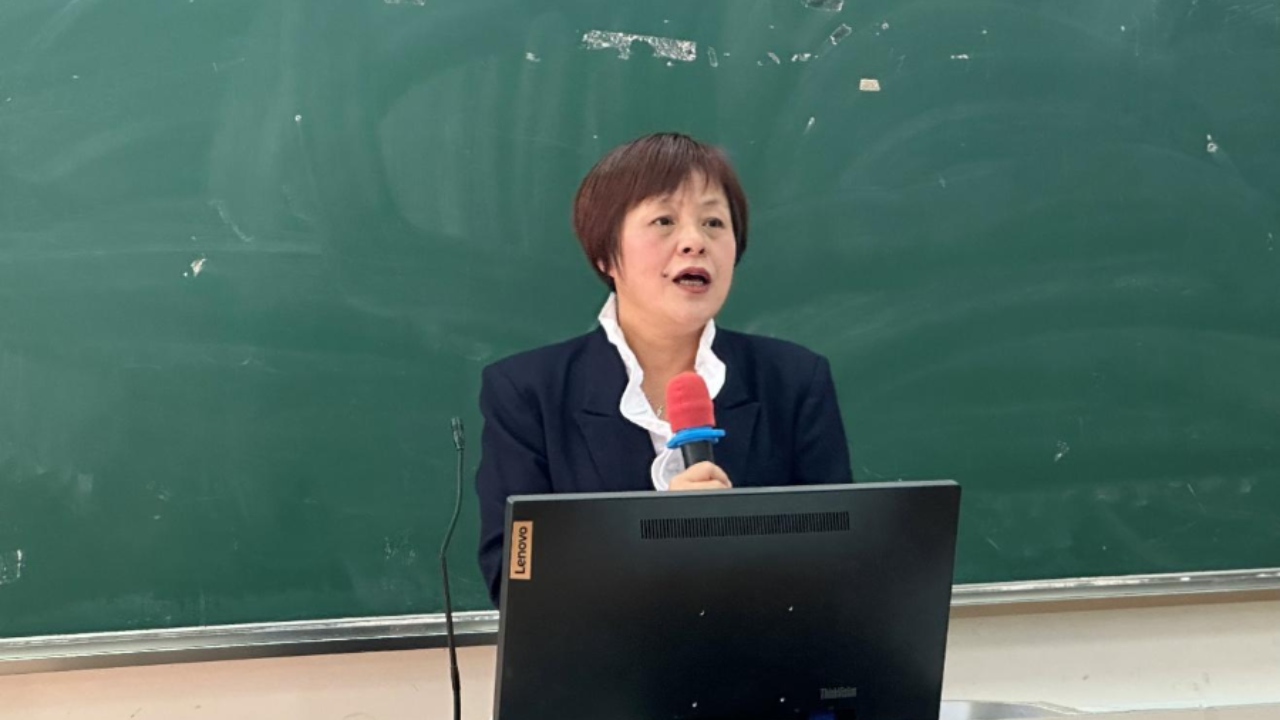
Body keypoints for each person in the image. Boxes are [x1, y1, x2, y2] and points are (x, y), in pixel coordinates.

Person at [475, 133, 853, 606]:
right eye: (664, 220)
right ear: (605, 254)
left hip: (767, 650)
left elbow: (841, 559)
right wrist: (661, 540)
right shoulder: (528, 391)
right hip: (605, 654)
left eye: (714, 222)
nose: (695, 242)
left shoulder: (794, 380)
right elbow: (514, 579)